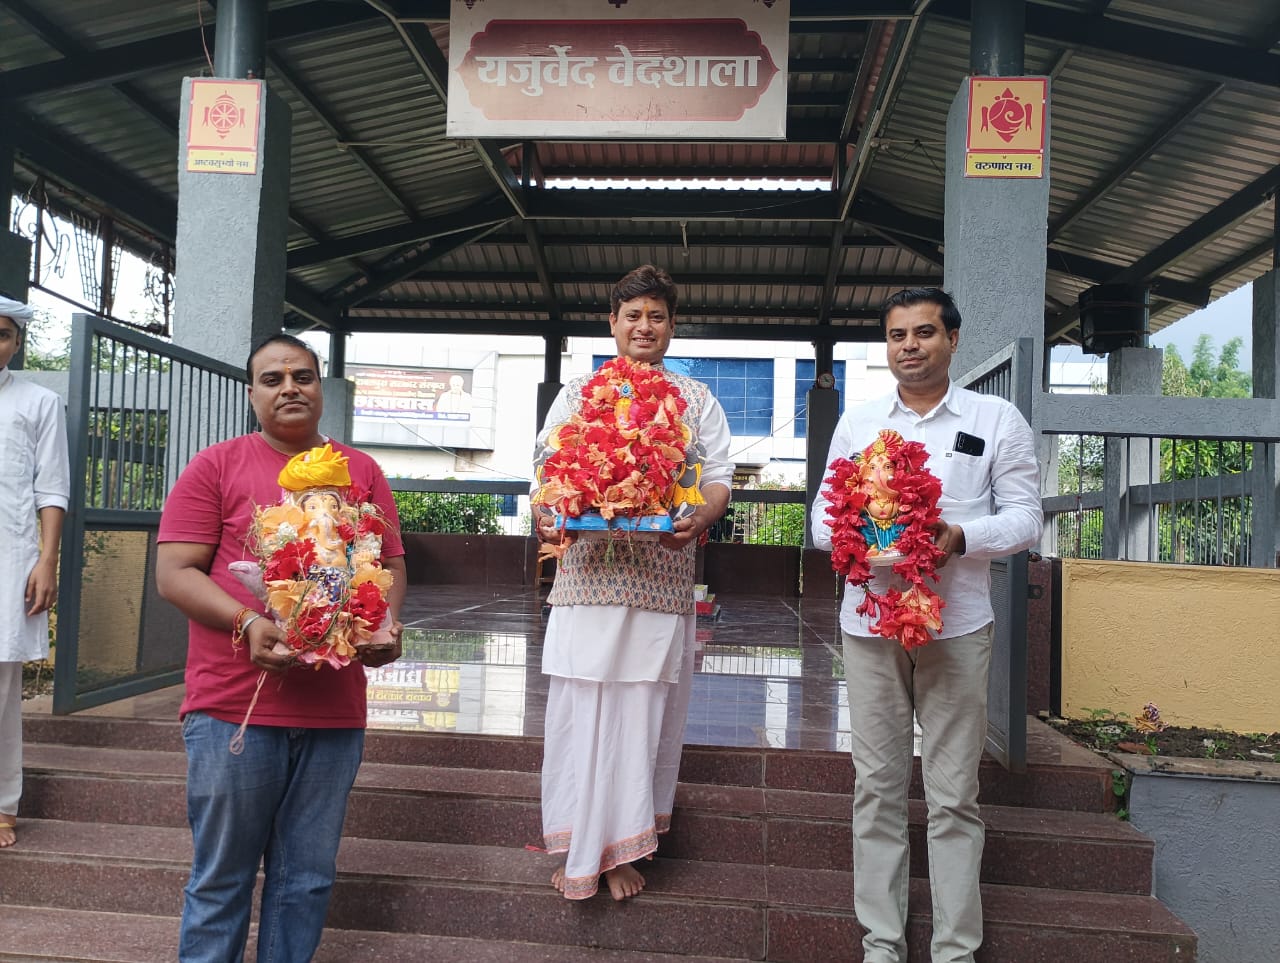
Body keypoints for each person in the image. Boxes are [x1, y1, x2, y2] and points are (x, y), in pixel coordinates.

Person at [156, 333, 407, 962]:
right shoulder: (215, 466)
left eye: (303, 375)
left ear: (321, 388)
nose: (289, 387)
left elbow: (390, 565)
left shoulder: (362, 472)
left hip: (333, 713)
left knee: (307, 882)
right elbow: (174, 573)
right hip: (232, 710)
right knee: (221, 882)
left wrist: (385, 627)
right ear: (252, 393)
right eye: (272, 378)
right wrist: (246, 621)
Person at [811, 288, 1042, 963]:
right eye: (896, 335)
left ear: (953, 340)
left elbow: (1028, 515)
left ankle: (954, 949)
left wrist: (961, 534)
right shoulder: (857, 424)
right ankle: (881, 942)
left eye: (923, 333)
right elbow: (823, 519)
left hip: (958, 627)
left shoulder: (995, 419)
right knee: (876, 786)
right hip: (870, 625)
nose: (909, 345)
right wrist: (853, 535)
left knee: (953, 793)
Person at [534, 264, 733, 901]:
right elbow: (542, 472)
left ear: (672, 327)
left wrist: (700, 515)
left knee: (644, 713)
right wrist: (549, 508)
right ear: (612, 323)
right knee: (580, 709)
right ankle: (578, 844)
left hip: (660, 576)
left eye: (656, 315)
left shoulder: (696, 399)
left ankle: (623, 847)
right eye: (632, 315)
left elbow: (719, 478)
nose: (644, 326)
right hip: (585, 578)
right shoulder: (577, 394)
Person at [0, 295, 70, 851]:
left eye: (2, 334)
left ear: (16, 342)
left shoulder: (38, 402)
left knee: (1, 690)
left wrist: (46, 560)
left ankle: (2, 805)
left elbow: (52, 488)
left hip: (10, 560)